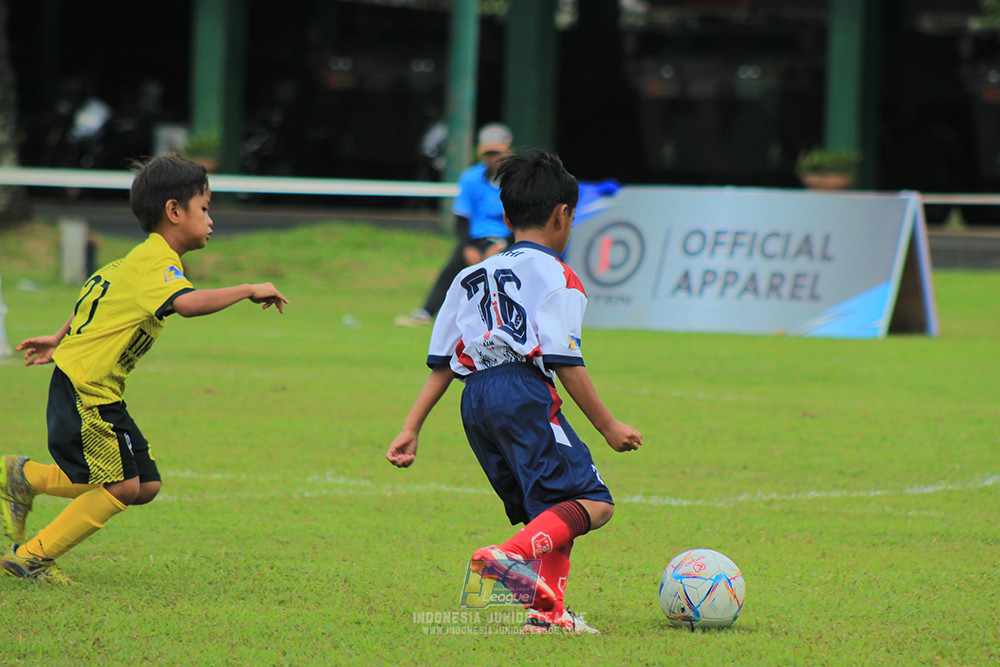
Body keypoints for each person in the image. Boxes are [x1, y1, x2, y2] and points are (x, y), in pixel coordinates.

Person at [385, 148, 643, 634]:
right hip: (522, 392)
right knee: (594, 501)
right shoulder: (558, 276)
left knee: (552, 511)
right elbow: (565, 359)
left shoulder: (467, 276)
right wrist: (608, 425)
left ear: (505, 216)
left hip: (475, 400)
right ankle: (503, 558)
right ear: (564, 214)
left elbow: (442, 362)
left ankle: (546, 616)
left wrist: (410, 427)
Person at [0, 154, 288, 584]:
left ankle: (24, 477)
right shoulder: (157, 262)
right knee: (122, 487)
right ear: (174, 211)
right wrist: (248, 288)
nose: (211, 220)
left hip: (98, 389)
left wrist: (59, 337)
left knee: (145, 486)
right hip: (86, 388)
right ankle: (32, 557)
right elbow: (187, 305)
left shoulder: (137, 261)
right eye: (205, 208)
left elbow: (101, 296)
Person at [394, 123, 515, 327]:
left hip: (508, 240)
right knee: (451, 270)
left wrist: (502, 245)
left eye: (497, 153)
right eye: (488, 153)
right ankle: (426, 312)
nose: (492, 158)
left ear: (509, 152)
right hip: (476, 239)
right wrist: (467, 246)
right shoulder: (470, 177)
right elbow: (462, 217)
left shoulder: (516, 180)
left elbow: (520, 220)